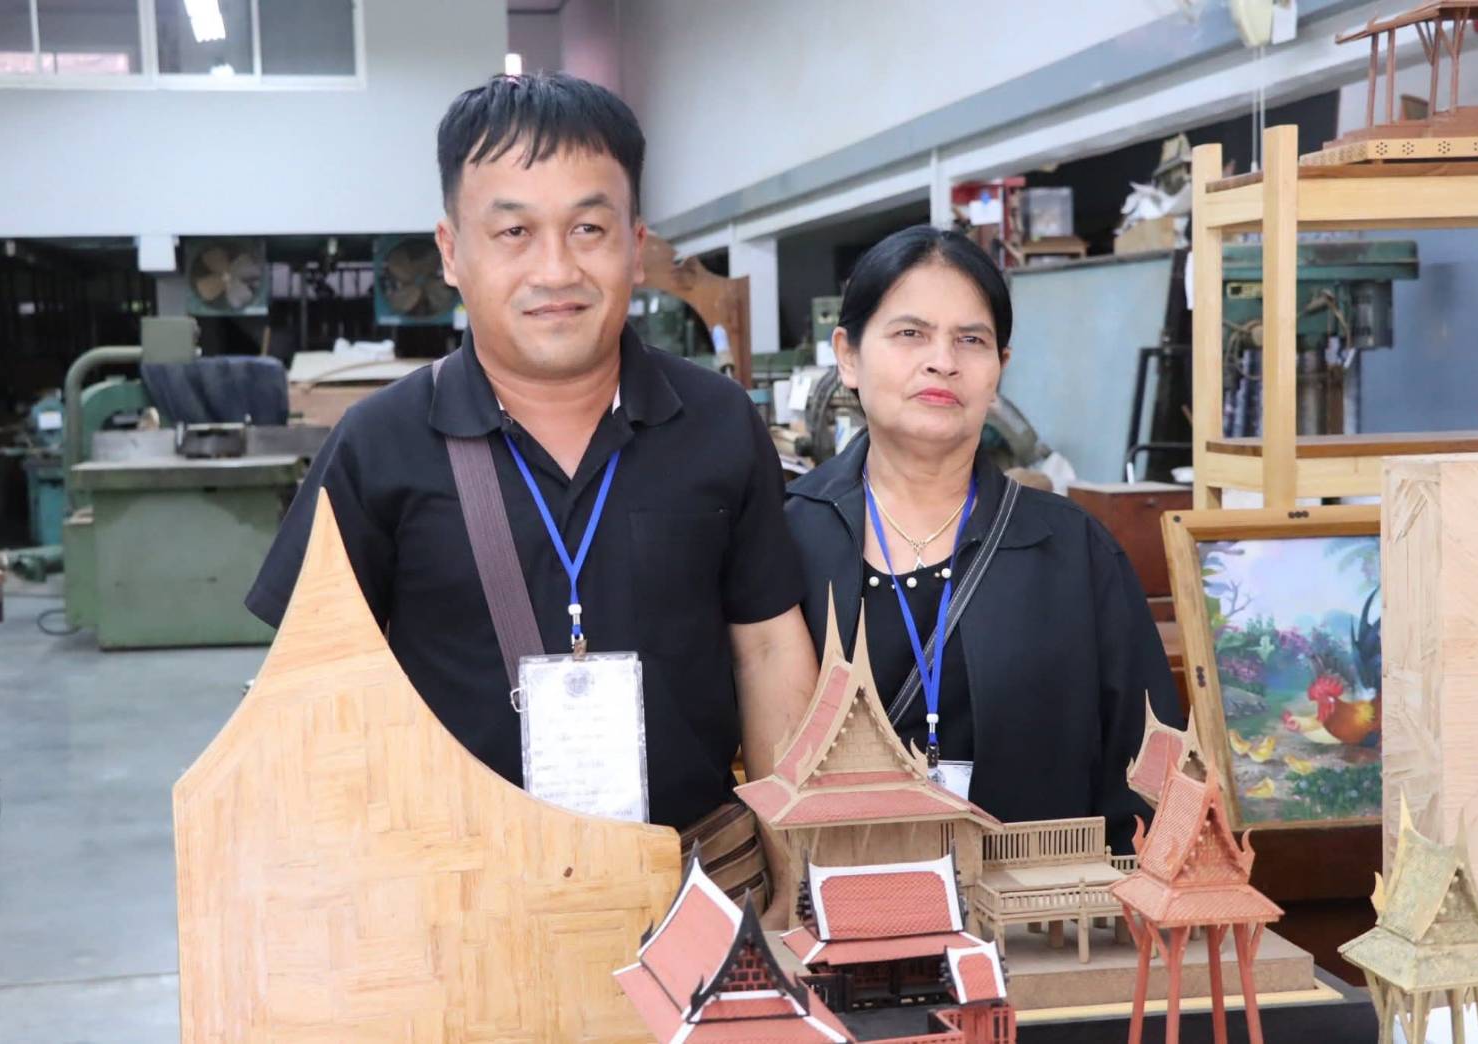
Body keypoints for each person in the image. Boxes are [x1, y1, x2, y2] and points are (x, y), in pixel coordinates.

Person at [245, 73, 817, 915]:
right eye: (514, 231)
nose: (556, 269)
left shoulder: (718, 422)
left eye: (589, 228)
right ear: (451, 252)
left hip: (700, 883)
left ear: (635, 245)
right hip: (464, 899)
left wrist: (796, 878)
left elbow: (767, 649)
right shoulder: (379, 445)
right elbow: (309, 691)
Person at [784, 225, 1181, 850]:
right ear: (849, 355)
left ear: (999, 370)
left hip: (1042, 899)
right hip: (836, 889)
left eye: (971, 340)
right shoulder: (786, 535)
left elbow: (1145, 768)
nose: (943, 360)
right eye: (910, 334)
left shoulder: (1072, 551)